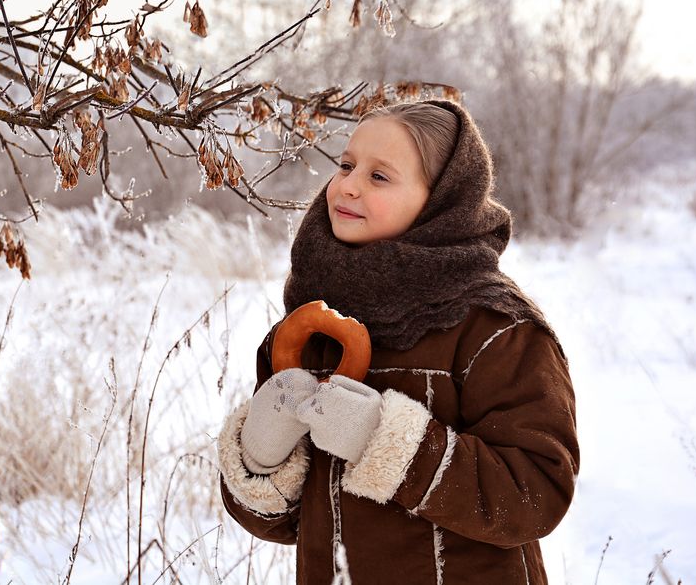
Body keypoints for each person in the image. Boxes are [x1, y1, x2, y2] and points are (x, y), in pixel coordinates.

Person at [215, 99, 579, 584]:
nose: (347, 184)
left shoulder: (496, 329)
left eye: (379, 177)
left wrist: (392, 446)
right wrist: (261, 457)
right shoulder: (310, 326)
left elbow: (535, 494)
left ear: (441, 203)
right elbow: (287, 525)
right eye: (346, 165)